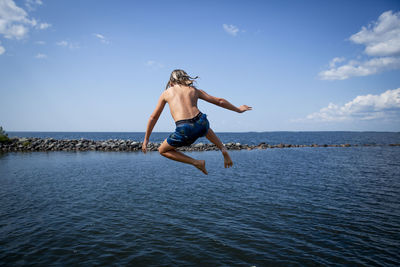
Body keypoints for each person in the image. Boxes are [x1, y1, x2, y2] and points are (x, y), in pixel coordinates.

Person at [142, 69, 252, 174]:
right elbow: (220, 101)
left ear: (171, 82)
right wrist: (238, 109)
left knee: (162, 150)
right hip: (201, 120)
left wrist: (146, 139)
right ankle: (222, 148)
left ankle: (196, 162)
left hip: (184, 127)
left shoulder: (166, 93)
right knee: (204, 127)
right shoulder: (195, 90)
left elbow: (153, 117)